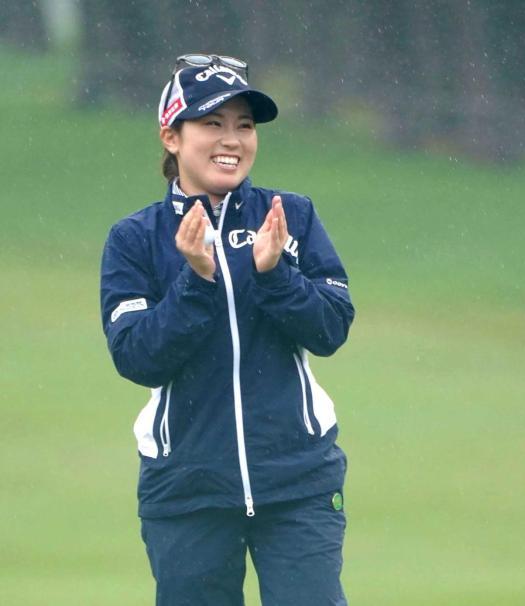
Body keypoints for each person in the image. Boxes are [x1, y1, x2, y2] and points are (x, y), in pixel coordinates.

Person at [99, 54, 354, 605]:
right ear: (172, 136)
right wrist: (196, 280)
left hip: (298, 482)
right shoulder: (134, 239)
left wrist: (274, 273)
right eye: (212, 124)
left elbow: (332, 328)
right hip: (186, 489)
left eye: (244, 125)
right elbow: (137, 356)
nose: (232, 140)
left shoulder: (291, 218)